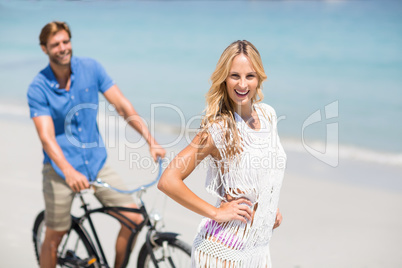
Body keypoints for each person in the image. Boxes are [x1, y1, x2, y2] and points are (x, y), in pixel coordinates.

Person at [27, 21, 166, 268]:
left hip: (96, 163)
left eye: (65, 41)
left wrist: (151, 141)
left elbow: (122, 106)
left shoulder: (91, 68)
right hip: (60, 172)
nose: (62, 48)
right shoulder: (38, 88)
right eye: (55, 44)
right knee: (53, 237)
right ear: (44, 49)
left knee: (133, 219)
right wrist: (69, 172)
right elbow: (47, 138)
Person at [158, 40, 287, 267]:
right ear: (224, 79)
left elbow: (264, 173)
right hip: (222, 253)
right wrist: (215, 213)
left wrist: (267, 207)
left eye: (250, 76)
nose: (242, 84)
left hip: (258, 251)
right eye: (234, 75)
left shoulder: (268, 116)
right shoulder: (219, 129)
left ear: (259, 79)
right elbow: (168, 180)